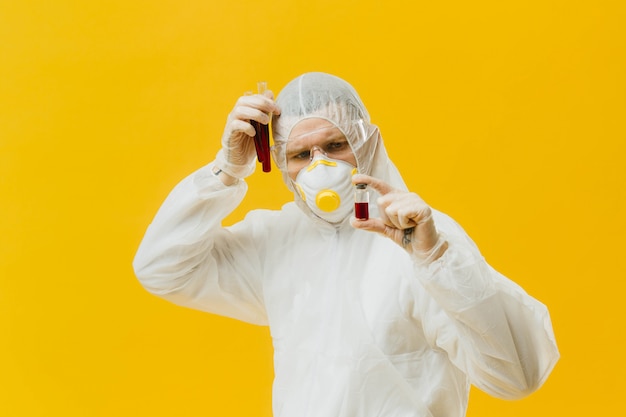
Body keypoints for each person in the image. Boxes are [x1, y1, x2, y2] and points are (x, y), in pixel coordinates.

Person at [133, 72, 559, 417]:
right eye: (301, 154)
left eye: (336, 145)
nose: (321, 165)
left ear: (366, 142)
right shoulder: (274, 240)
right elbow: (161, 269)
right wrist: (226, 170)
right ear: (281, 163)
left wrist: (436, 261)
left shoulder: (423, 238)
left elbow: (517, 375)